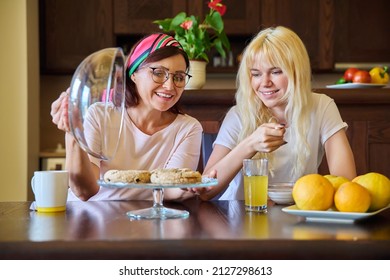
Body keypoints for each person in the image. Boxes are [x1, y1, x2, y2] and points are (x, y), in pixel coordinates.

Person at [197, 26, 356, 200]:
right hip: (239, 217)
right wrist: (249, 145)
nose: (264, 83)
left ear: (297, 71)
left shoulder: (322, 106)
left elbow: (346, 184)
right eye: (256, 74)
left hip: (296, 214)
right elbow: (205, 190)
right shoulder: (239, 115)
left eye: (276, 72)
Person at [51, 33, 202, 201]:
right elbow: (84, 191)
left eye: (179, 77)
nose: (169, 86)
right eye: (159, 73)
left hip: (147, 220)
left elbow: (171, 189)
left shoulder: (188, 128)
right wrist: (73, 133)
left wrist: (190, 187)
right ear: (133, 74)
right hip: (90, 217)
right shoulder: (99, 116)